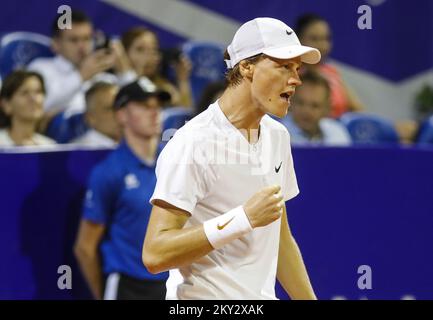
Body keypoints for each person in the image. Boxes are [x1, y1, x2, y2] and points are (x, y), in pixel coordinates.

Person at [142, 17, 320, 300]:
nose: (296, 79)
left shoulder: (278, 137)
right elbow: (155, 252)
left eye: (297, 68)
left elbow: (281, 240)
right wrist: (243, 218)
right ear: (247, 66)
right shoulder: (192, 143)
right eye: (284, 66)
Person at [74, 78, 170, 300]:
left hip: (173, 282)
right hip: (129, 286)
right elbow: (85, 247)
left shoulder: (174, 162)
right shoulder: (108, 172)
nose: (154, 113)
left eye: (158, 106)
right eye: (145, 106)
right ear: (121, 115)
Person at [28, 10, 135, 116]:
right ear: (55, 44)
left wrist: (124, 71)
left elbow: (137, 107)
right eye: (74, 40)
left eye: (87, 39)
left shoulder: (101, 77)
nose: (82, 46)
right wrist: (81, 76)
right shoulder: (41, 69)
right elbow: (36, 106)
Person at [295, 14, 364, 118]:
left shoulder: (331, 72)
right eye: (314, 39)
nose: (322, 45)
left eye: (325, 39)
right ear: (298, 40)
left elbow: (358, 109)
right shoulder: (291, 74)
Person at [121, 27, 192, 107]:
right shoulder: (114, 87)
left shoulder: (165, 88)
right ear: (124, 54)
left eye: (154, 49)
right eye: (140, 50)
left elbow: (185, 114)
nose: (148, 56)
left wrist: (183, 80)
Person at [280, 70, 352, 146]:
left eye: (315, 106)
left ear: (327, 108)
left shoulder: (337, 132)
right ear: (290, 102)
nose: (306, 111)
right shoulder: (277, 134)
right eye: (300, 103)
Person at [0, 70, 55, 146]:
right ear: (6, 105)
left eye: (38, 92)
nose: (33, 99)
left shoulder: (50, 147)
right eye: (24, 93)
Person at [72, 82, 121, 147]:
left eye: (120, 107)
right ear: (90, 118)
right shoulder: (81, 151)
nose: (119, 113)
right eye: (109, 109)